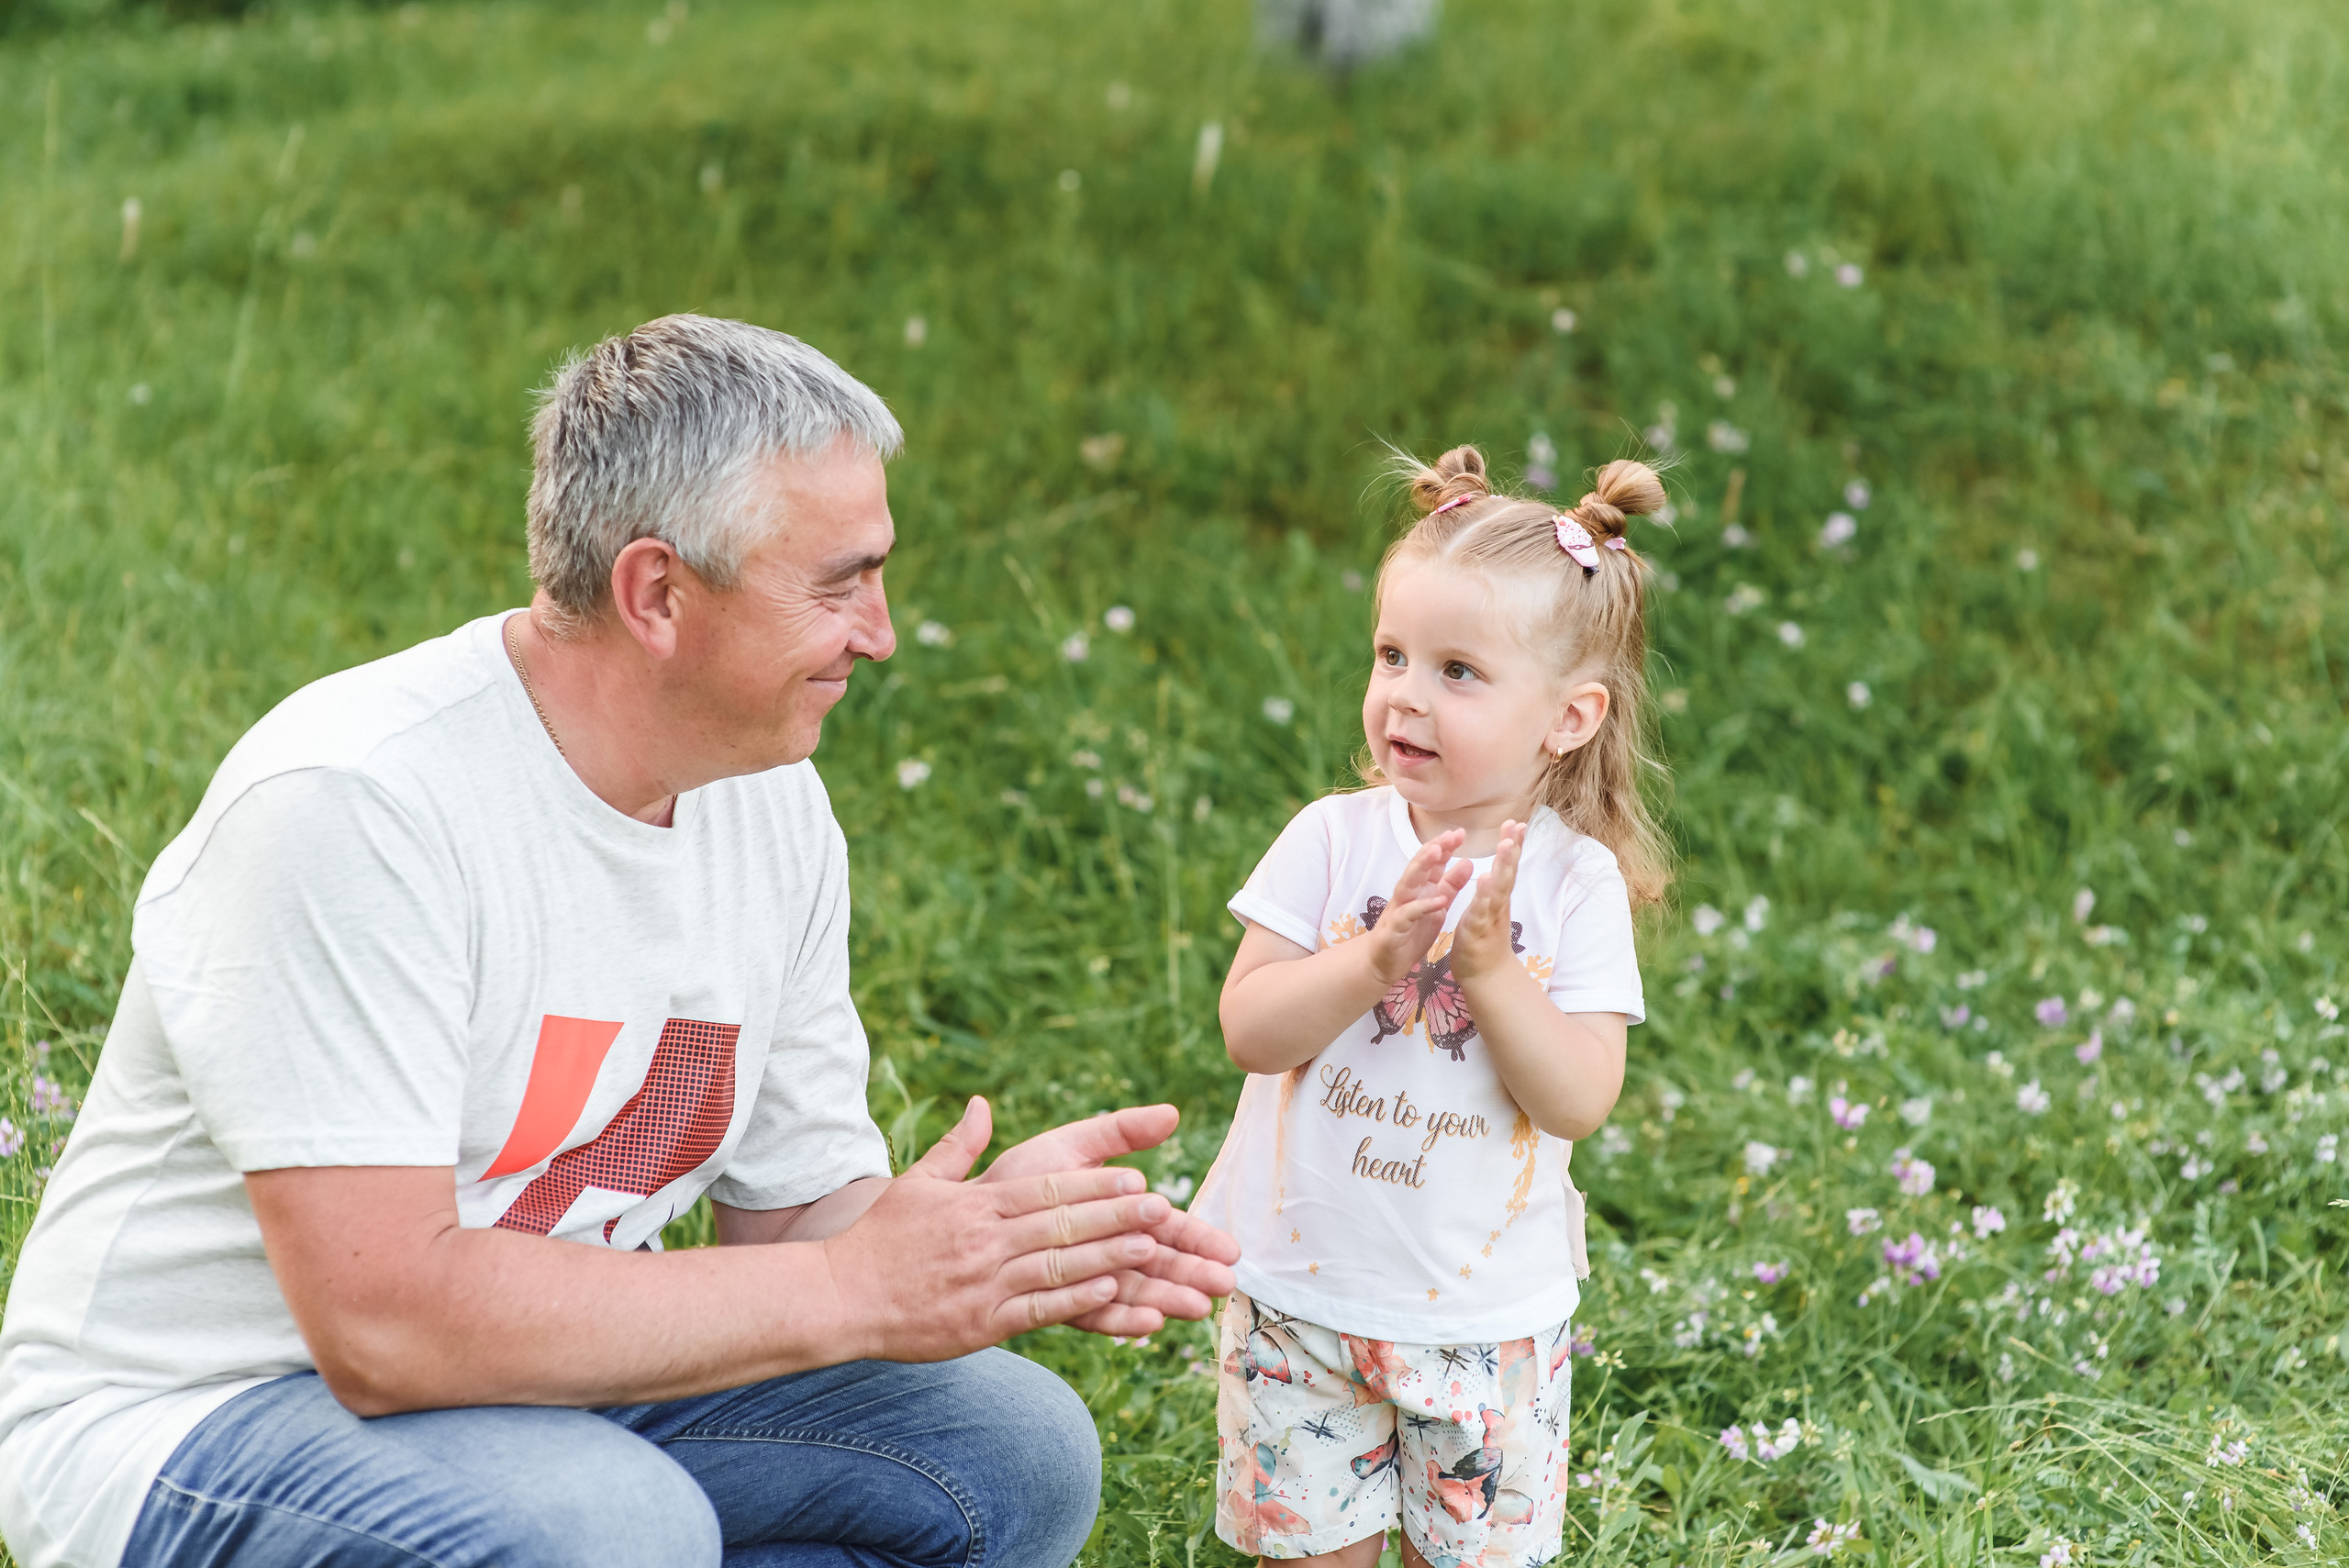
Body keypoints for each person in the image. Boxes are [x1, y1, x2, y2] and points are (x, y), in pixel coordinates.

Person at [0, 314, 1238, 1568]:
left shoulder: (768, 800)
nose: (881, 630)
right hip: (199, 1414)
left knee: (1011, 1453)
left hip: (539, 1392)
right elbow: (382, 1327)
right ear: (657, 593)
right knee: (611, 1528)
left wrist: (976, 1240)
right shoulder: (354, 804)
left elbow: (793, 1221)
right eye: (837, 582)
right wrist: (850, 1290)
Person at [1188, 445, 1667, 1568]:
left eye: (1458, 670)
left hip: (1483, 1320)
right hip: (1302, 1301)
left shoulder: (1571, 882)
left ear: (1568, 716)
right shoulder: (1332, 838)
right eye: (1392, 652)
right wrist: (1370, 961)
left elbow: (1579, 1097)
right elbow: (1248, 1028)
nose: (1405, 690)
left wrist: (1493, 973)